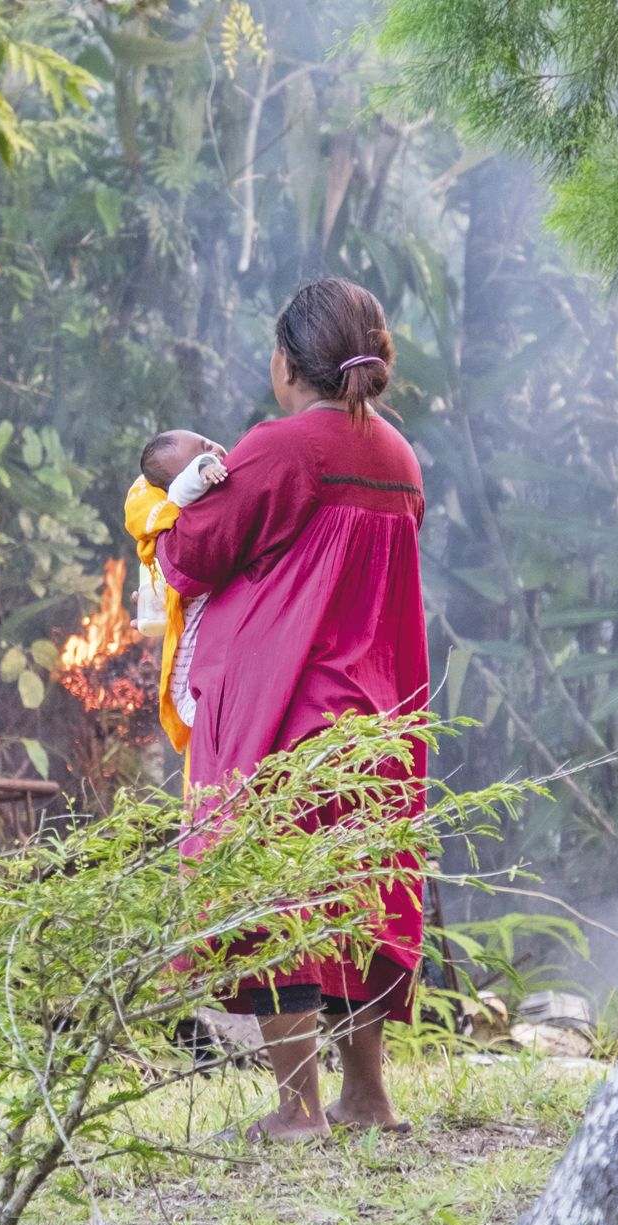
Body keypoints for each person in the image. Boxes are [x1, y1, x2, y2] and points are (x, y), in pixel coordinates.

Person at [154, 277, 429, 1143]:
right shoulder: (401, 458)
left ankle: (299, 1110)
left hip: (287, 716)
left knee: (279, 904)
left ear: (286, 365)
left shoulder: (282, 448)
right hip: (377, 715)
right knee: (355, 895)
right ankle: (369, 1097)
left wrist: (161, 515)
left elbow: (195, 554)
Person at [124, 432, 228, 750]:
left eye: (206, 441)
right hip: (204, 628)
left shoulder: (223, 482)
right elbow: (181, 490)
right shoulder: (186, 498)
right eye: (199, 451)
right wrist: (204, 468)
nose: (211, 448)